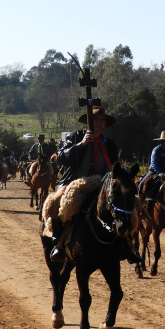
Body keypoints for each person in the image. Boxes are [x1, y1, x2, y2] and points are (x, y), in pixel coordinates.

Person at [50, 107, 120, 262]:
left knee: (127, 204)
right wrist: (81, 144)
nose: (99, 123)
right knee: (55, 203)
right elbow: (61, 157)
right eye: (96, 119)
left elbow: (115, 164)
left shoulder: (110, 144)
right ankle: (57, 244)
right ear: (88, 121)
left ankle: (127, 245)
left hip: (102, 184)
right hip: (74, 182)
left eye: (102, 120)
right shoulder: (75, 137)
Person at [138, 130, 165, 198]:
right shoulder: (157, 150)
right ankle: (139, 203)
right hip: (155, 172)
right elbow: (155, 163)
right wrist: (160, 173)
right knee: (141, 185)